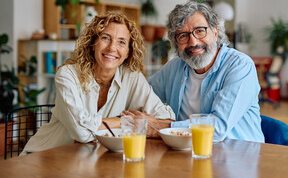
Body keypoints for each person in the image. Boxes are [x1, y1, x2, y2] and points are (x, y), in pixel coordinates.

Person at [22, 11, 175, 154]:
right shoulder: (68, 75)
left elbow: (167, 120)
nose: (112, 48)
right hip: (44, 157)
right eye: (105, 38)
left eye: (121, 42)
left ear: (129, 51)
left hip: (88, 160)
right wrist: (125, 121)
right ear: (93, 42)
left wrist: (147, 122)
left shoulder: (132, 77)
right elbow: (81, 133)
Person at [143, 1, 264, 142]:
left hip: (239, 156)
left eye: (200, 31)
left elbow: (217, 128)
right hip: (186, 152)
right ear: (175, 43)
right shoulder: (175, 67)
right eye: (183, 36)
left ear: (215, 32)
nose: (193, 42)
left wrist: (159, 127)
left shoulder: (240, 66)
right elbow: (142, 93)